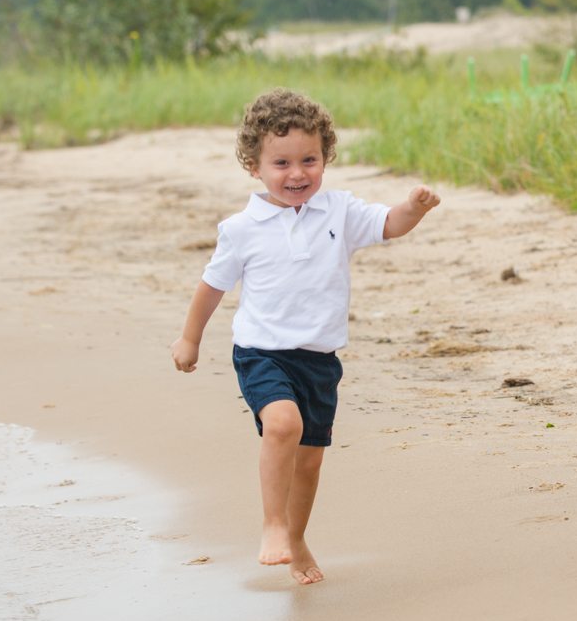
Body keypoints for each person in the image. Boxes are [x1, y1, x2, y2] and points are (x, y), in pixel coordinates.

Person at [170, 88, 440, 584]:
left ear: (325, 157)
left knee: (309, 465)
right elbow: (212, 286)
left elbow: (388, 224)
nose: (297, 174)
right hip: (261, 353)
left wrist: (414, 209)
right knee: (282, 426)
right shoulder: (241, 228)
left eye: (309, 160)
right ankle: (272, 525)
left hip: (319, 359)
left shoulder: (339, 211)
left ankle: (295, 539)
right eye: (282, 163)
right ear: (254, 166)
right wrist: (190, 340)